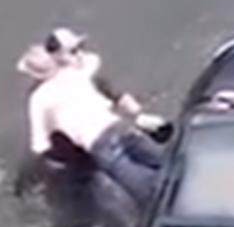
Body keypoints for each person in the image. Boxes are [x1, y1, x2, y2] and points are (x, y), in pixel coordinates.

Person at [15, 27, 170, 204]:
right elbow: (114, 92)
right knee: (165, 162)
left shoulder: (38, 99)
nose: (80, 54)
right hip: (118, 127)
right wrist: (138, 116)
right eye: (74, 50)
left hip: (96, 144)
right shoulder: (80, 72)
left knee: (149, 194)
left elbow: (40, 146)